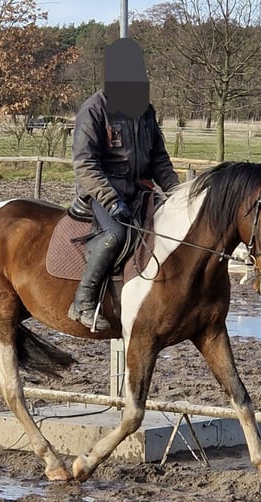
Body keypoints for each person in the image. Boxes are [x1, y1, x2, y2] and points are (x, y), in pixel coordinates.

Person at [67, 38, 180, 332]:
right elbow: (85, 164)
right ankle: (83, 301)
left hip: (139, 190)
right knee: (115, 235)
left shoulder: (144, 110)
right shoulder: (94, 110)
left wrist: (176, 191)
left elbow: (159, 158)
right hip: (102, 193)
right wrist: (111, 199)